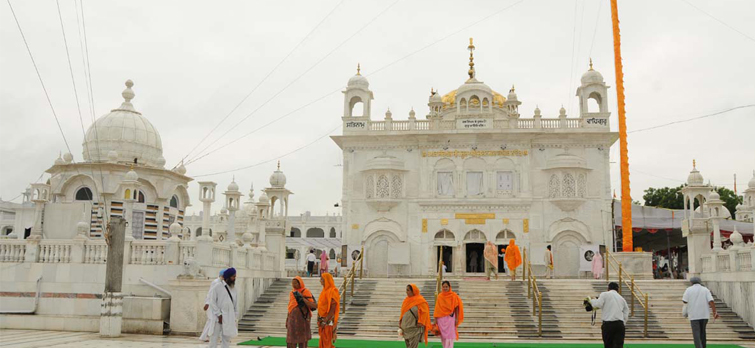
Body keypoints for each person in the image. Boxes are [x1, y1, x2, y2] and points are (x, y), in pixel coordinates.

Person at [589, 282, 629, 348]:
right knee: (619, 345)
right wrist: (623, 322)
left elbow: (598, 304)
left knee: (608, 345)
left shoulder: (604, 294)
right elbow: (626, 311)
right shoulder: (622, 298)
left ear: (608, 288)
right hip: (620, 325)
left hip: (608, 325)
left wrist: (592, 301)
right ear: (618, 290)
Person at [683, 277, 719, 348]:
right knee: (703, 333)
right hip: (704, 315)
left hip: (694, 315)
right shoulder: (705, 290)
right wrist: (714, 312)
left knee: (696, 334)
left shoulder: (688, 290)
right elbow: (711, 301)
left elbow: (684, 301)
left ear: (691, 282)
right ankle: (703, 346)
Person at [208, 268, 238, 348]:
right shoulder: (217, 286)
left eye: (235, 276)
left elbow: (235, 304)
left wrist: (235, 316)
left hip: (229, 317)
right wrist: (219, 314)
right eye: (233, 276)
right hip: (218, 317)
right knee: (214, 337)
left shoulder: (233, 288)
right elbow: (212, 301)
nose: (234, 278)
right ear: (228, 277)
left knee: (227, 338)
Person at [286, 276, 316, 348]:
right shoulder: (292, 293)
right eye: (293, 283)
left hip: (303, 319)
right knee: (291, 339)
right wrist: (287, 319)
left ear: (300, 283)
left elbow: (313, 305)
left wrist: (301, 298)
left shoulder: (306, 291)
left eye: (295, 283)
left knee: (303, 339)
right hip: (292, 320)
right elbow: (290, 306)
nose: (294, 285)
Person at [399, 284, 432, 348]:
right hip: (406, 328)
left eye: (408, 290)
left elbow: (425, 312)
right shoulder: (406, 300)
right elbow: (402, 313)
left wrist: (421, 322)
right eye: (406, 290)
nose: (406, 292)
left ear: (413, 291)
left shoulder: (420, 301)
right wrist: (400, 322)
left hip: (415, 328)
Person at [433, 281, 464, 348]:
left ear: (449, 287)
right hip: (441, 319)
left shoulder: (453, 296)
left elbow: (456, 307)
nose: (445, 288)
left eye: (446, 287)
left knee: (450, 335)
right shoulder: (440, 296)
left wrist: (457, 318)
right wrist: (435, 320)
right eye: (443, 287)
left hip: (450, 318)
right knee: (443, 336)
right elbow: (437, 308)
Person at [200, 269, 226, 342]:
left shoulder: (223, 283)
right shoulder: (216, 282)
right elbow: (210, 293)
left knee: (221, 321)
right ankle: (204, 337)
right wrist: (207, 303)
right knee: (211, 321)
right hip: (213, 305)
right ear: (222, 276)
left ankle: (222, 338)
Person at [317, 273, 340, 348]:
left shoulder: (332, 291)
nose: (320, 281)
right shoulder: (324, 291)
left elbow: (333, 308)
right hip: (322, 319)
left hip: (328, 320)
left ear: (326, 280)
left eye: (322, 279)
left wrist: (326, 320)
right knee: (323, 342)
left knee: (327, 342)